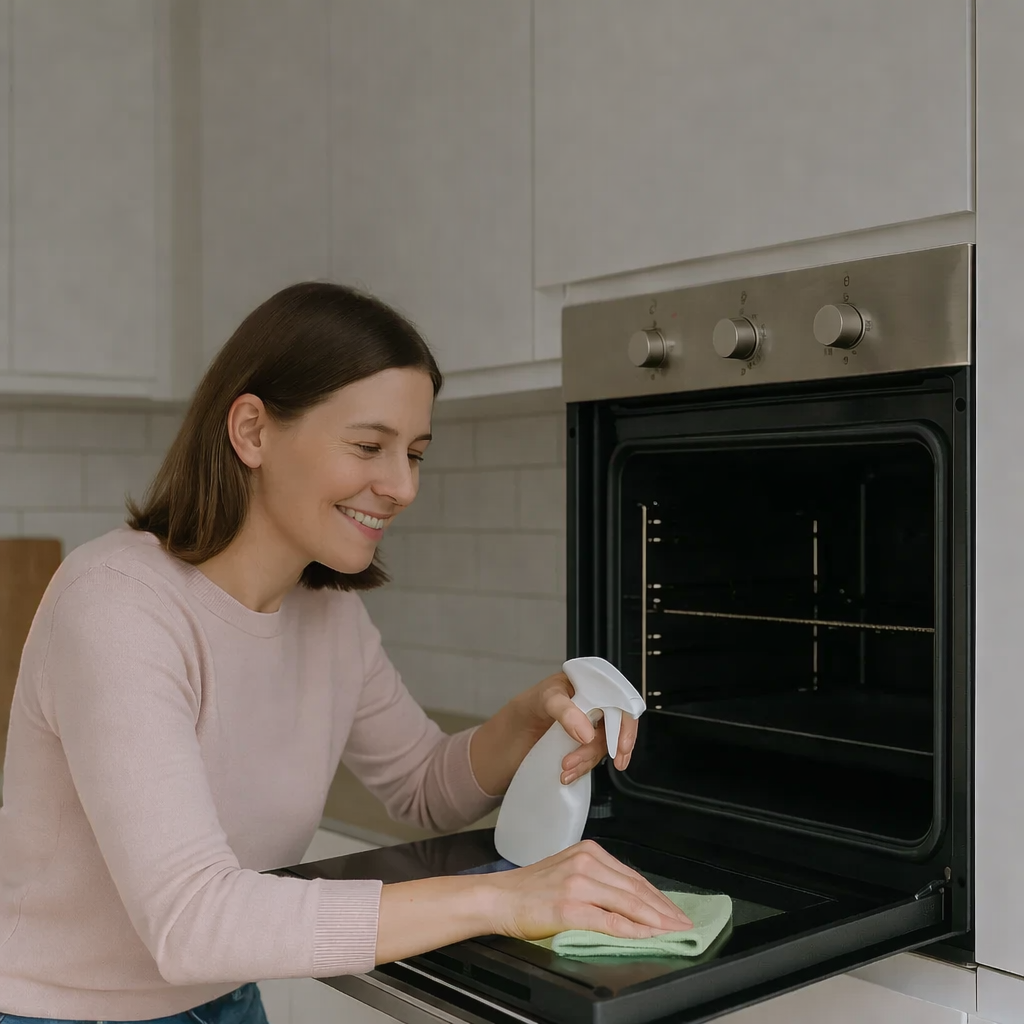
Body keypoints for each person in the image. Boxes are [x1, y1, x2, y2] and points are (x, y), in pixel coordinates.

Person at [0, 283, 691, 1024]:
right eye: (369, 446)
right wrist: (501, 898)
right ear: (253, 431)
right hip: (62, 1014)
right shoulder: (118, 603)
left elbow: (424, 787)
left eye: (415, 453)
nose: (401, 486)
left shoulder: (329, 614)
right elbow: (192, 923)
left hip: (226, 1000)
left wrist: (524, 722)